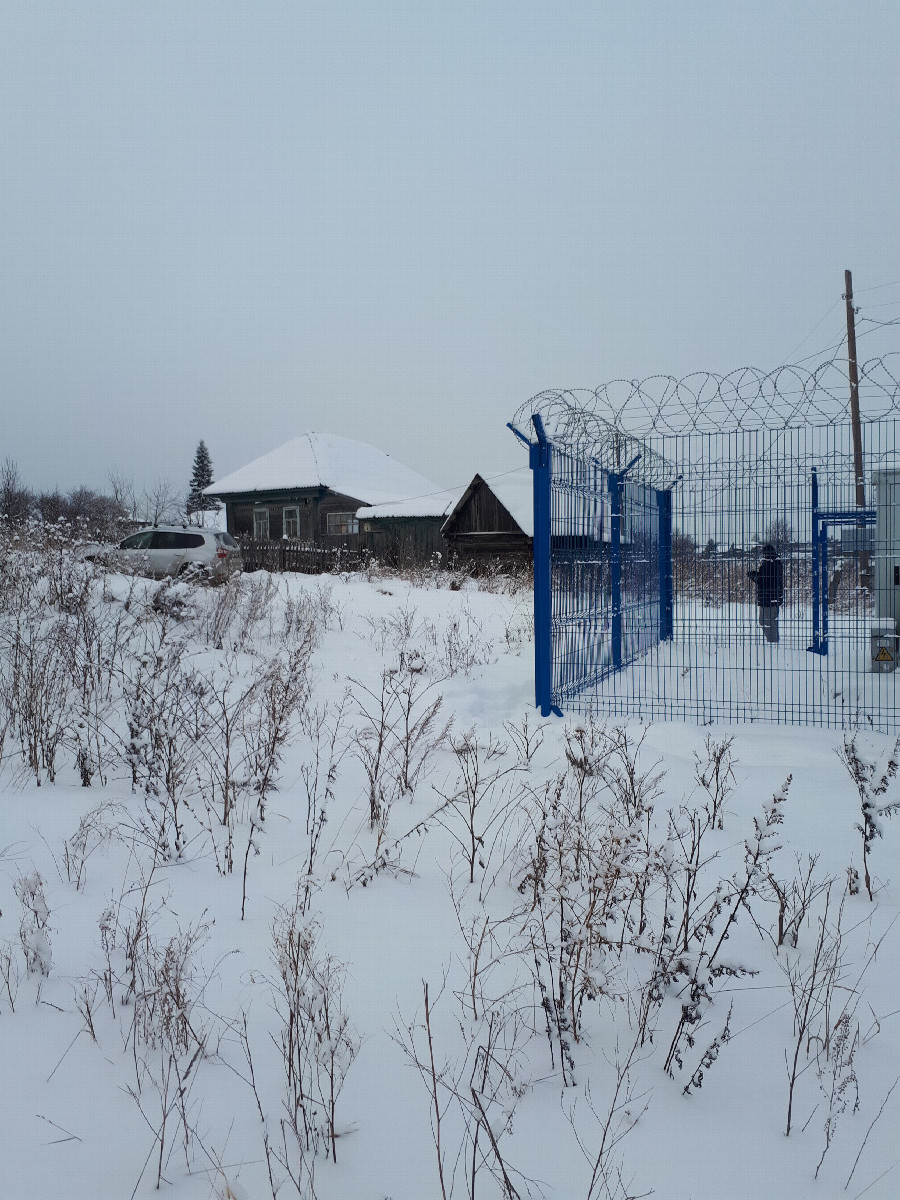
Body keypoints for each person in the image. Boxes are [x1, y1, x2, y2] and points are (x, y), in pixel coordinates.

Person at [748, 544, 784, 643]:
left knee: (764, 621)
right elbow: (769, 578)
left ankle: (772, 641)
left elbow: (764, 581)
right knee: (773, 620)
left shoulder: (768, 564)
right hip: (776, 596)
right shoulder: (777, 563)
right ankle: (774, 640)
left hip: (767, 597)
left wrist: (754, 576)